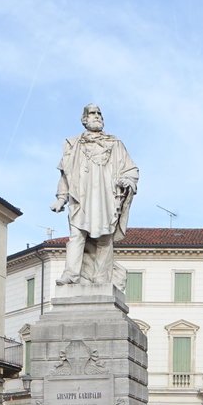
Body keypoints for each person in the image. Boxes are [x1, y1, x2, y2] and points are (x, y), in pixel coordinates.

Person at [51, 104, 138, 288]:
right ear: (84, 119)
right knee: (77, 235)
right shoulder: (73, 144)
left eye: (99, 114)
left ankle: (101, 278)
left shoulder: (115, 144)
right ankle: (71, 274)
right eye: (92, 113)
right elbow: (65, 174)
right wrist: (61, 198)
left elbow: (131, 169)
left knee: (105, 238)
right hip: (81, 197)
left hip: (106, 196)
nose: (97, 116)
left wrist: (126, 180)